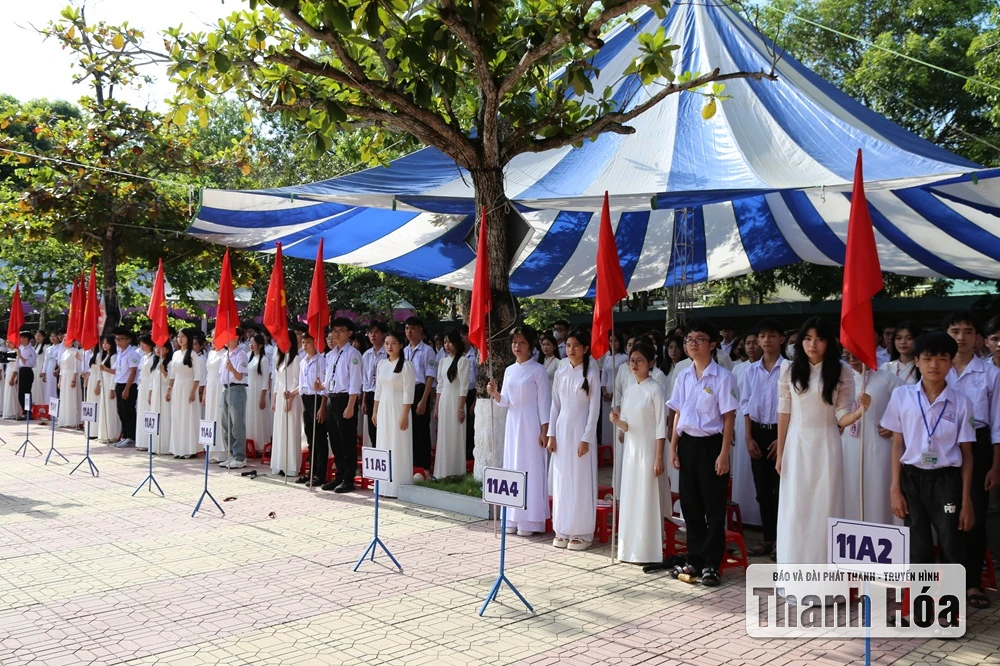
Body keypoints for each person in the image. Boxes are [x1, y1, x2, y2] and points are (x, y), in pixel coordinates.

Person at [776, 317, 866, 575]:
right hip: (796, 444)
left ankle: (827, 577)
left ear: (829, 342)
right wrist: (780, 453)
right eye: (807, 338)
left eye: (819, 338)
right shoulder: (789, 370)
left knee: (826, 508)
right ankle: (794, 575)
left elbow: (841, 417)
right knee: (796, 509)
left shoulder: (842, 371)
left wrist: (860, 411)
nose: (812, 344)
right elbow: (784, 413)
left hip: (827, 445)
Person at [882, 332, 975, 567]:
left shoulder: (962, 402)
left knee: (950, 540)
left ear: (951, 362)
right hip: (912, 477)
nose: (934, 365)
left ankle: (950, 599)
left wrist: (966, 500)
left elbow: (967, 455)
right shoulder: (902, 396)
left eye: (942, 358)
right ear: (917, 361)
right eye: (927, 358)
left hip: (946, 479)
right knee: (917, 542)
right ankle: (921, 597)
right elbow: (897, 445)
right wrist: (895, 488)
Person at [666, 321, 739, 586]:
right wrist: (673, 447)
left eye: (699, 339)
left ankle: (711, 562)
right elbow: (677, 413)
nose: (693, 344)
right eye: (689, 339)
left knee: (714, 506)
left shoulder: (723, 377)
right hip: (688, 444)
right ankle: (695, 558)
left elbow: (729, 417)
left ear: (712, 344)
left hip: (712, 444)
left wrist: (724, 454)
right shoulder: (683, 375)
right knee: (690, 504)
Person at [942, 311, 1000, 610]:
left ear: (977, 337)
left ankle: (972, 583)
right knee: (946, 517)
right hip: (942, 446)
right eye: (955, 331)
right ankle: (948, 583)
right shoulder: (936, 368)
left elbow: (998, 423)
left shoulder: (990, 374)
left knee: (973, 518)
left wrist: (995, 464)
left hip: (978, 446)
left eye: (967, 331)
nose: (961, 337)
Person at [487, 325, 551, 536]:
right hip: (513, 424)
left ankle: (530, 520)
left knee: (530, 467)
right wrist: (495, 394)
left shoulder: (538, 370)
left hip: (532, 423)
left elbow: (544, 403)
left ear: (530, 345)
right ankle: (513, 516)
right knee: (514, 465)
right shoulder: (509, 370)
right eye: (514, 342)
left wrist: (544, 431)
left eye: (522, 342)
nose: (517, 346)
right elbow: (505, 401)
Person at [610, 342, 668, 563]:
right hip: (632, 451)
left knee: (647, 497)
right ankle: (629, 548)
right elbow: (628, 426)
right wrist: (618, 421)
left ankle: (648, 549)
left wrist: (658, 457)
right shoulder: (630, 390)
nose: (634, 365)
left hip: (649, 449)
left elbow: (661, 426)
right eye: (631, 361)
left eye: (639, 361)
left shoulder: (655, 389)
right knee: (631, 496)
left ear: (651, 363)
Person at [548, 329, 601, 551]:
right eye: (568, 345)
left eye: (576, 345)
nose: (571, 349)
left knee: (580, 480)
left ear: (585, 348)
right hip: (562, 430)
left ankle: (581, 531)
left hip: (581, 431)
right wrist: (551, 434)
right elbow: (555, 405)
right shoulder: (561, 371)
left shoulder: (590, 372)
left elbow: (594, 408)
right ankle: (562, 528)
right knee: (563, 480)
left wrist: (587, 438)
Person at [840, 349, 903, 525]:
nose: (852, 358)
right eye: (847, 354)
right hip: (848, 445)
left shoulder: (888, 379)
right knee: (850, 489)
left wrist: (894, 427)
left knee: (877, 490)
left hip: (878, 445)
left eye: (856, 354)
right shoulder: (842, 379)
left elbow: (908, 408)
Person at [741, 319, 785, 558]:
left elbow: (794, 407)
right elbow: (746, 404)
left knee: (783, 490)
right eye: (762, 336)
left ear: (781, 339)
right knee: (763, 491)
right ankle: (767, 538)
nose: (766, 340)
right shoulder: (751, 370)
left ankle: (782, 540)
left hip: (782, 433)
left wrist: (782, 439)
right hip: (758, 431)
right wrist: (748, 437)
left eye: (771, 335)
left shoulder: (789, 368)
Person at [322, 317, 363, 493]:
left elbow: (355, 381)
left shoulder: (353, 354)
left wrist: (351, 405)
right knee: (335, 440)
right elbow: (329, 380)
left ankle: (348, 478)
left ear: (349, 333)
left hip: (346, 399)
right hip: (332, 398)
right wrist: (321, 388)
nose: (336, 334)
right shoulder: (331, 355)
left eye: (340, 331)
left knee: (347, 440)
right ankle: (338, 474)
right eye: (334, 331)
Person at [373, 330, 415, 498]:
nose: (389, 347)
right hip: (384, 409)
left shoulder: (406, 365)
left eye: (394, 343)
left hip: (399, 409)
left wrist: (405, 414)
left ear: (401, 345)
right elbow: (378, 389)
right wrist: (375, 410)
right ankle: (383, 485)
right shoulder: (382, 364)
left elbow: (408, 392)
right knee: (384, 443)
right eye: (387, 343)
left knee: (398, 445)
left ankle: (398, 485)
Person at [730, 330, 762, 531]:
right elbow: (732, 398)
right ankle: (742, 515)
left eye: (754, 342)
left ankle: (759, 517)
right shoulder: (738, 369)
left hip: (760, 419)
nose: (750, 346)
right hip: (740, 420)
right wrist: (732, 423)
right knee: (742, 467)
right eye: (747, 342)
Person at [433, 329, 469, 479]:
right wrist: (436, 407)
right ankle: (442, 472)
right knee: (443, 436)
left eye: (450, 342)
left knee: (455, 436)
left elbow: (464, 387)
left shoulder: (463, 361)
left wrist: (460, 408)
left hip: (456, 401)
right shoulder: (442, 361)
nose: (447, 345)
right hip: (444, 402)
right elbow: (440, 386)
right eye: (445, 342)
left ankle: (456, 471)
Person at [294, 332, 328, 486]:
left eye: (308, 342)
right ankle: (311, 471)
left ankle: (320, 474)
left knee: (320, 438)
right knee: (310, 438)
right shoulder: (303, 362)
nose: (304, 345)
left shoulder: (321, 361)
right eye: (303, 342)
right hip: (306, 399)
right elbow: (302, 385)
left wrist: (322, 407)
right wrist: (292, 394)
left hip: (317, 399)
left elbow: (323, 387)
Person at [404, 317, 437, 470]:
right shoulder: (403, 351)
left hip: (420, 390)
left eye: (412, 328)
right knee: (408, 429)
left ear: (420, 330)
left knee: (421, 429)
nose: (409, 332)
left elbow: (430, 376)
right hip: (406, 392)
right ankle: (412, 462)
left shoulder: (427, 351)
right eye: (406, 328)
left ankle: (423, 465)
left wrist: (424, 400)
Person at [167, 329, 204, 459]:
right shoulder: (176, 354)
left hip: (188, 386)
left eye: (182, 336)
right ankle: (178, 448)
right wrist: (169, 389)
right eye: (178, 336)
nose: (180, 339)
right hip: (177, 387)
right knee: (177, 416)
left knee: (188, 417)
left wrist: (193, 391)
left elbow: (198, 374)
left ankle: (189, 449)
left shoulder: (192, 354)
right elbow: (172, 374)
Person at [270, 332, 303, 477]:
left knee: (290, 430)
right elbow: (277, 382)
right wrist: (274, 399)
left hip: (292, 397)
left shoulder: (296, 358)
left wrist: (290, 400)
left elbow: (297, 381)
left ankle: (291, 465)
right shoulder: (281, 358)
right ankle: (279, 463)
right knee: (280, 430)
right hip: (280, 397)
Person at [104, 328, 140, 448]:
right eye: (117, 339)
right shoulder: (119, 352)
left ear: (128, 340)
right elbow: (117, 371)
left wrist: (127, 389)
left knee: (128, 411)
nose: (118, 342)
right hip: (119, 384)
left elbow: (133, 372)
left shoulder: (132, 353)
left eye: (122, 339)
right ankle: (125, 435)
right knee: (121, 411)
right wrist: (105, 369)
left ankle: (131, 437)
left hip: (128, 385)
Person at [219, 336, 249, 469]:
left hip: (237, 389)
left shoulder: (241, 354)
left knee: (237, 424)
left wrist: (232, 369)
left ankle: (240, 456)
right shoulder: (225, 355)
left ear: (236, 338)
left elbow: (239, 376)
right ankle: (231, 454)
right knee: (226, 425)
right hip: (226, 389)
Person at [362, 321, 388, 449]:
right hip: (371, 394)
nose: (373, 335)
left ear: (383, 334)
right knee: (372, 428)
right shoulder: (366, 355)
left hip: (385, 395)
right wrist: (364, 400)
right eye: (371, 332)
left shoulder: (388, 353)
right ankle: (375, 453)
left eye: (376, 332)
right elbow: (366, 380)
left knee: (385, 427)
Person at [245, 334, 272, 451]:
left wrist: (262, 397)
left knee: (260, 418)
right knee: (251, 416)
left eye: (253, 342)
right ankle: (251, 444)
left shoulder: (264, 359)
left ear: (260, 345)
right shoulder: (249, 357)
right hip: (250, 390)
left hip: (259, 390)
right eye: (250, 342)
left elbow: (265, 379)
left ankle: (262, 445)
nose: (251, 344)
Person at [600, 331, 627, 446]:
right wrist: (604, 390)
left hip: (618, 391)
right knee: (607, 422)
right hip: (607, 392)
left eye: (615, 341)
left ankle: (617, 447)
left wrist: (613, 394)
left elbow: (623, 377)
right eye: (611, 341)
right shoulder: (607, 357)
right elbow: (604, 375)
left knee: (616, 418)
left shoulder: (624, 358)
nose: (613, 343)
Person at [94, 336, 122, 444]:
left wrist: (112, 388)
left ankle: (112, 434)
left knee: (111, 410)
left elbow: (115, 373)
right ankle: (104, 434)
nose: (104, 345)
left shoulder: (114, 356)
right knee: (104, 409)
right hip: (104, 384)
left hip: (110, 384)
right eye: (103, 343)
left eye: (107, 343)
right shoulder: (106, 356)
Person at [203, 338, 226, 462]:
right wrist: (205, 392)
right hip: (210, 387)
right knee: (210, 416)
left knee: (219, 415)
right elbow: (207, 374)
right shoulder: (211, 353)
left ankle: (221, 452)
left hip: (219, 386)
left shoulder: (225, 354)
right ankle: (211, 450)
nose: (213, 340)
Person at [880, 321, 921, 385]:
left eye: (909, 338)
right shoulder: (886, 367)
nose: (903, 342)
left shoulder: (922, 367)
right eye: (899, 338)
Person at [149, 345, 173, 455]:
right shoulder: (155, 362)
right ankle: (155, 445)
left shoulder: (169, 363)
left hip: (165, 394)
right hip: (156, 393)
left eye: (161, 347)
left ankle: (165, 446)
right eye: (156, 348)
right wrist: (150, 393)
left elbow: (170, 381)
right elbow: (152, 380)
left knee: (165, 418)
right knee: (155, 417)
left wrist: (164, 371)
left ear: (167, 349)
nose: (158, 350)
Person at [133, 336, 156, 448]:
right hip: (141, 386)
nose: (142, 346)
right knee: (141, 411)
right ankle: (141, 441)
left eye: (144, 343)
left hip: (148, 386)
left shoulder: (154, 357)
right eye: (140, 343)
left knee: (147, 411)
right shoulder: (143, 357)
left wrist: (151, 390)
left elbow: (153, 376)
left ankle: (148, 441)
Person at [459, 324, 478, 460]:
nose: (462, 338)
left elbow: (479, 380)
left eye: (464, 335)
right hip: (459, 394)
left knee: (471, 425)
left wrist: (475, 402)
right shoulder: (457, 356)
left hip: (472, 393)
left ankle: (470, 455)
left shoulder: (476, 354)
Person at [16, 331, 38, 419]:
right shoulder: (21, 348)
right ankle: (24, 410)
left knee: (26, 392)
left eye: (23, 337)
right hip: (21, 371)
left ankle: (28, 412)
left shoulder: (31, 350)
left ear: (27, 339)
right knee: (20, 393)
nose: (21, 339)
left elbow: (28, 363)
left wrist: (20, 356)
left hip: (27, 371)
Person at [41, 330, 63, 409]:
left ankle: (56, 408)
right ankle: (48, 407)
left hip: (56, 368)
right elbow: (45, 361)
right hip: (49, 368)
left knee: (55, 388)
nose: (53, 338)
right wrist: (44, 372)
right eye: (51, 336)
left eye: (54, 336)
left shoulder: (61, 346)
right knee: (49, 388)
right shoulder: (48, 348)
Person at [3, 340, 20, 419]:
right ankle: (8, 411)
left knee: (12, 392)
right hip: (8, 372)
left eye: (10, 342)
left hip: (13, 374)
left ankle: (13, 412)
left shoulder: (16, 352)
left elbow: (16, 367)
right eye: (7, 342)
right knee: (8, 392)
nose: (8, 344)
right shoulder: (9, 351)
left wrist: (13, 378)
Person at [31, 331, 48, 410]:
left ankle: (42, 406)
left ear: (44, 337)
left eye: (40, 336)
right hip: (35, 368)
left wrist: (43, 371)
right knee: (34, 387)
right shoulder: (35, 347)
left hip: (41, 368)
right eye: (36, 336)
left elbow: (46, 360)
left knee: (41, 387)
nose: (37, 337)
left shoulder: (46, 347)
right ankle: (34, 406)